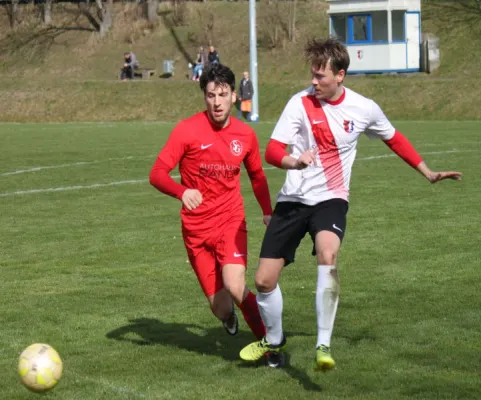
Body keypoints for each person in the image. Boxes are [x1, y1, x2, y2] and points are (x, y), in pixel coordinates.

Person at [239, 38, 463, 369]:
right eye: (312, 75)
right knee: (263, 281)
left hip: (331, 199)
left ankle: (323, 345)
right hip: (293, 198)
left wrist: (427, 172)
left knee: (328, 252)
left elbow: (394, 138)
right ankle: (273, 341)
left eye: (321, 77)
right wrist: (294, 162)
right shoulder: (299, 103)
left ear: (340, 74)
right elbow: (272, 150)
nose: (314, 82)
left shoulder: (363, 108)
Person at [149, 63, 272, 343]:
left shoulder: (246, 135)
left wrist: (267, 211)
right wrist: (181, 192)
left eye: (222, 94)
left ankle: (270, 343)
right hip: (196, 230)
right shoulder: (187, 130)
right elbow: (156, 174)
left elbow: (257, 175)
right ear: (204, 96)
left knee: (235, 283)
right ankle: (230, 317)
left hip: (230, 220)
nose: (216, 102)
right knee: (220, 307)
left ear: (233, 97)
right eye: (211, 95)